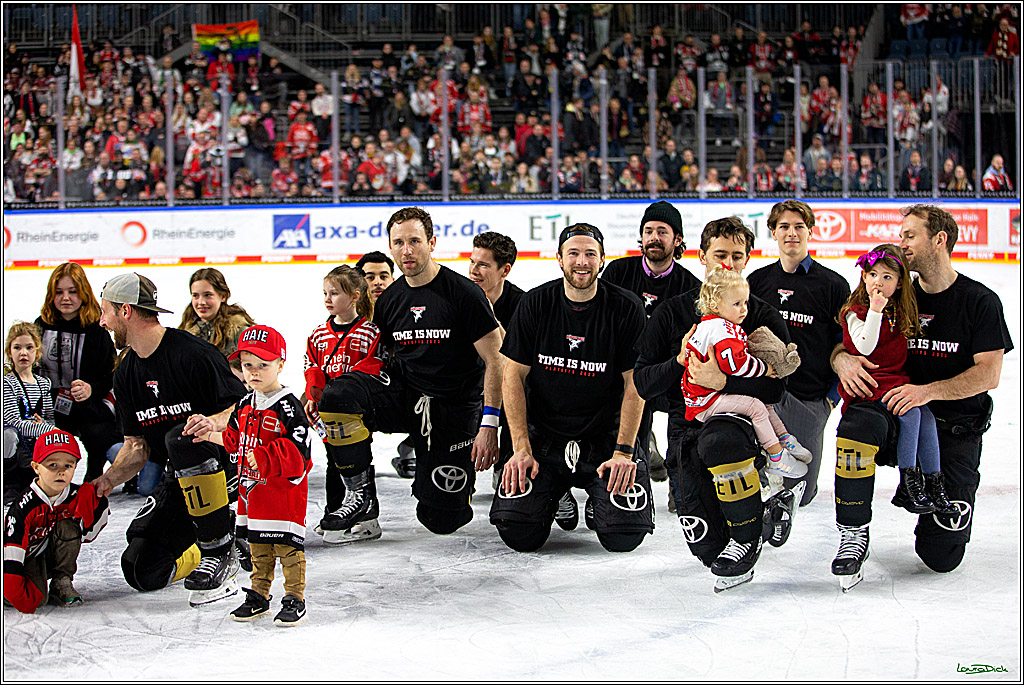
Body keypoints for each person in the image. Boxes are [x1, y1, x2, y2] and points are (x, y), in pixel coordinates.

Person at [830, 205, 1012, 586]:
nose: (902, 244)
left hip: (955, 429)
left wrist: (926, 393)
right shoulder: (893, 295)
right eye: (901, 236)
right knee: (857, 425)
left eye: (910, 236)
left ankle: (924, 488)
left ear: (939, 240)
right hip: (893, 416)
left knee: (940, 556)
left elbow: (989, 374)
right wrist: (842, 360)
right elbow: (849, 339)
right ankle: (853, 533)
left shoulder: (980, 301)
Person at [316, 207, 504, 536]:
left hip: (454, 408)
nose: (407, 250)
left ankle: (428, 457)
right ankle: (360, 496)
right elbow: (376, 359)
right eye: (399, 243)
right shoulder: (389, 300)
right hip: (406, 397)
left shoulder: (464, 294)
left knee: (441, 519)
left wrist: (488, 424)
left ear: (431, 243)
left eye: (415, 241)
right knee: (337, 398)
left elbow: (496, 361)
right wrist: (319, 388)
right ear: (390, 247)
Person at [633, 217, 794, 591]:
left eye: (737, 256)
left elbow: (777, 389)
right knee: (704, 542)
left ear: (748, 259)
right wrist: (678, 363)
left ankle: (748, 534)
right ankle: (763, 513)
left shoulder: (762, 314)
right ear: (701, 256)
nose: (728, 264)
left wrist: (723, 381)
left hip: (736, 421)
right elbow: (642, 382)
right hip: (685, 421)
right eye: (719, 254)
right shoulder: (673, 311)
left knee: (720, 443)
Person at [491, 223, 653, 552]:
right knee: (519, 534)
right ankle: (555, 491)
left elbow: (634, 385)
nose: (582, 261)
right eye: (574, 254)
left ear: (603, 259)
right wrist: (520, 447)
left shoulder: (626, 307)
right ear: (560, 260)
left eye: (590, 254)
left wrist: (624, 451)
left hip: (604, 439)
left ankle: (598, 495)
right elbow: (512, 377)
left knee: (622, 537)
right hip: (545, 438)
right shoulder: (535, 303)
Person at [93, 273, 248, 605]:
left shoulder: (192, 353)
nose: (101, 320)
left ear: (125, 311)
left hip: (230, 469)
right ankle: (212, 533)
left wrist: (212, 422)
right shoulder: (126, 374)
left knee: (182, 438)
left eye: (104, 311)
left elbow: (243, 406)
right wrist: (106, 481)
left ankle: (219, 552)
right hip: (182, 477)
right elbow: (136, 447)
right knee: (140, 568)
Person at [194, 325, 312, 626]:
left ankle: (294, 598)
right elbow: (235, 441)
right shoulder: (245, 404)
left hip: (282, 495)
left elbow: (300, 455)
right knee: (258, 549)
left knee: (288, 549)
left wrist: (263, 457)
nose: (255, 372)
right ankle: (259, 594)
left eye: (264, 364)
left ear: (281, 364)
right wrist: (211, 434)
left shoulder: (288, 405)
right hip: (253, 494)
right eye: (248, 365)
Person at [837, 244, 956, 517]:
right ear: (864, 277)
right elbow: (865, 346)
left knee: (926, 416)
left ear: (900, 283)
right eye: (873, 275)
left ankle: (934, 483)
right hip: (870, 380)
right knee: (911, 412)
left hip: (894, 378)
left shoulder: (897, 309)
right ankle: (907, 482)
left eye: (888, 277)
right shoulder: (857, 311)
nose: (879, 282)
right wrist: (876, 310)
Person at [747, 200, 850, 505]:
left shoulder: (833, 284)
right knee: (758, 485)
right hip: (764, 396)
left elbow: (844, 343)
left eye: (798, 227)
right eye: (784, 227)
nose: (791, 233)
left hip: (810, 398)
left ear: (810, 232)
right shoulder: (758, 282)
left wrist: (832, 397)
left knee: (799, 493)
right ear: (773, 233)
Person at [602, 201, 703, 499]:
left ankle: (679, 479)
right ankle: (645, 455)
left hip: (672, 373)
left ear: (678, 240)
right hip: (627, 371)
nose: (654, 238)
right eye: (648, 231)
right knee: (631, 410)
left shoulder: (690, 285)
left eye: (662, 231)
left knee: (683, 424)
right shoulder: (619, 271)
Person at [683, 266, 809, 478]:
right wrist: (765, 368)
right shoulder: (721, 330)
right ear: (715, 304)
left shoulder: (715, 324)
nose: (744, 310)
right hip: (705, 400)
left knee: (763, 402)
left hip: (707, 395)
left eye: (745, 303)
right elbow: (735, 365)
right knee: (756, 407)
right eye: (737, 304)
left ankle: (783, 437)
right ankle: (776, 456)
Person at [302, 265, 384, 543]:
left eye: (334, 293)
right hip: (326, 413)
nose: (328, 298)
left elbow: (372, 367)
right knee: (332, 460)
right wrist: (315, 397)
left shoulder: (369, 332)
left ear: (354, 296)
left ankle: (367, 516)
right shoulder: (318, 334)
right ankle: (334, 511)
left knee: (357, 458)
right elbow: (310, 365)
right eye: (325, 293)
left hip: (355, 414)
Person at [3, 429, 110, 613]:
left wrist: (93, 506)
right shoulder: (22, 507)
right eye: (52, 465)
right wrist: (13, 588)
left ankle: (62, 581)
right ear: (36, 467)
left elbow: (87, 535)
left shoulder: (76, 495)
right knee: (36, 600)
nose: (61, 472)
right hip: (23, 559)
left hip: (47, 551)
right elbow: (11, 556)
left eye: (68, 466)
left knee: (69, 527)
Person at [34, 263, 122, 484]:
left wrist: (91, 388)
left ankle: (95, 474)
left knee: (98, 431)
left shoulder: (96, 329)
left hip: (88, 404)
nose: (66, 298)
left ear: (83, 293)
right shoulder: (40, 325)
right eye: (59, 292)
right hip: (49, 403)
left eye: (73, 291)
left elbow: (112, 374)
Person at [467, 231, 525, 485]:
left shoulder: (523, 304)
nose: (473, 271)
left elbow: (517, 358)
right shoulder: (462, 295)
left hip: (507, 388)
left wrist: (491, 318)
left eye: (483, 265)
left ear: (505, 270)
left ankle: (508, 458)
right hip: (467, 387)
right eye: (472, 262)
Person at [3, 322, 57, 504]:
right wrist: (44, 429)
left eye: (29, 347)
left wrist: (48, 430)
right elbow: (14, 422)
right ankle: (9, 482)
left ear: (37, 352)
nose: (23, 353)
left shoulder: (44, 384)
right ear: (10, 352)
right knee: (8, 434)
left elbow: (50, 419)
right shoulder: (7, 383)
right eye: (17, 348)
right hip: (16, 445)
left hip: (35, 445)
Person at [178, 268, 256, 382]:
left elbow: (258, 371)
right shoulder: (185, 332)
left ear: (223, 296)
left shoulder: (240, 330)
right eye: (195, 296)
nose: (201, 302)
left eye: (208, 295)